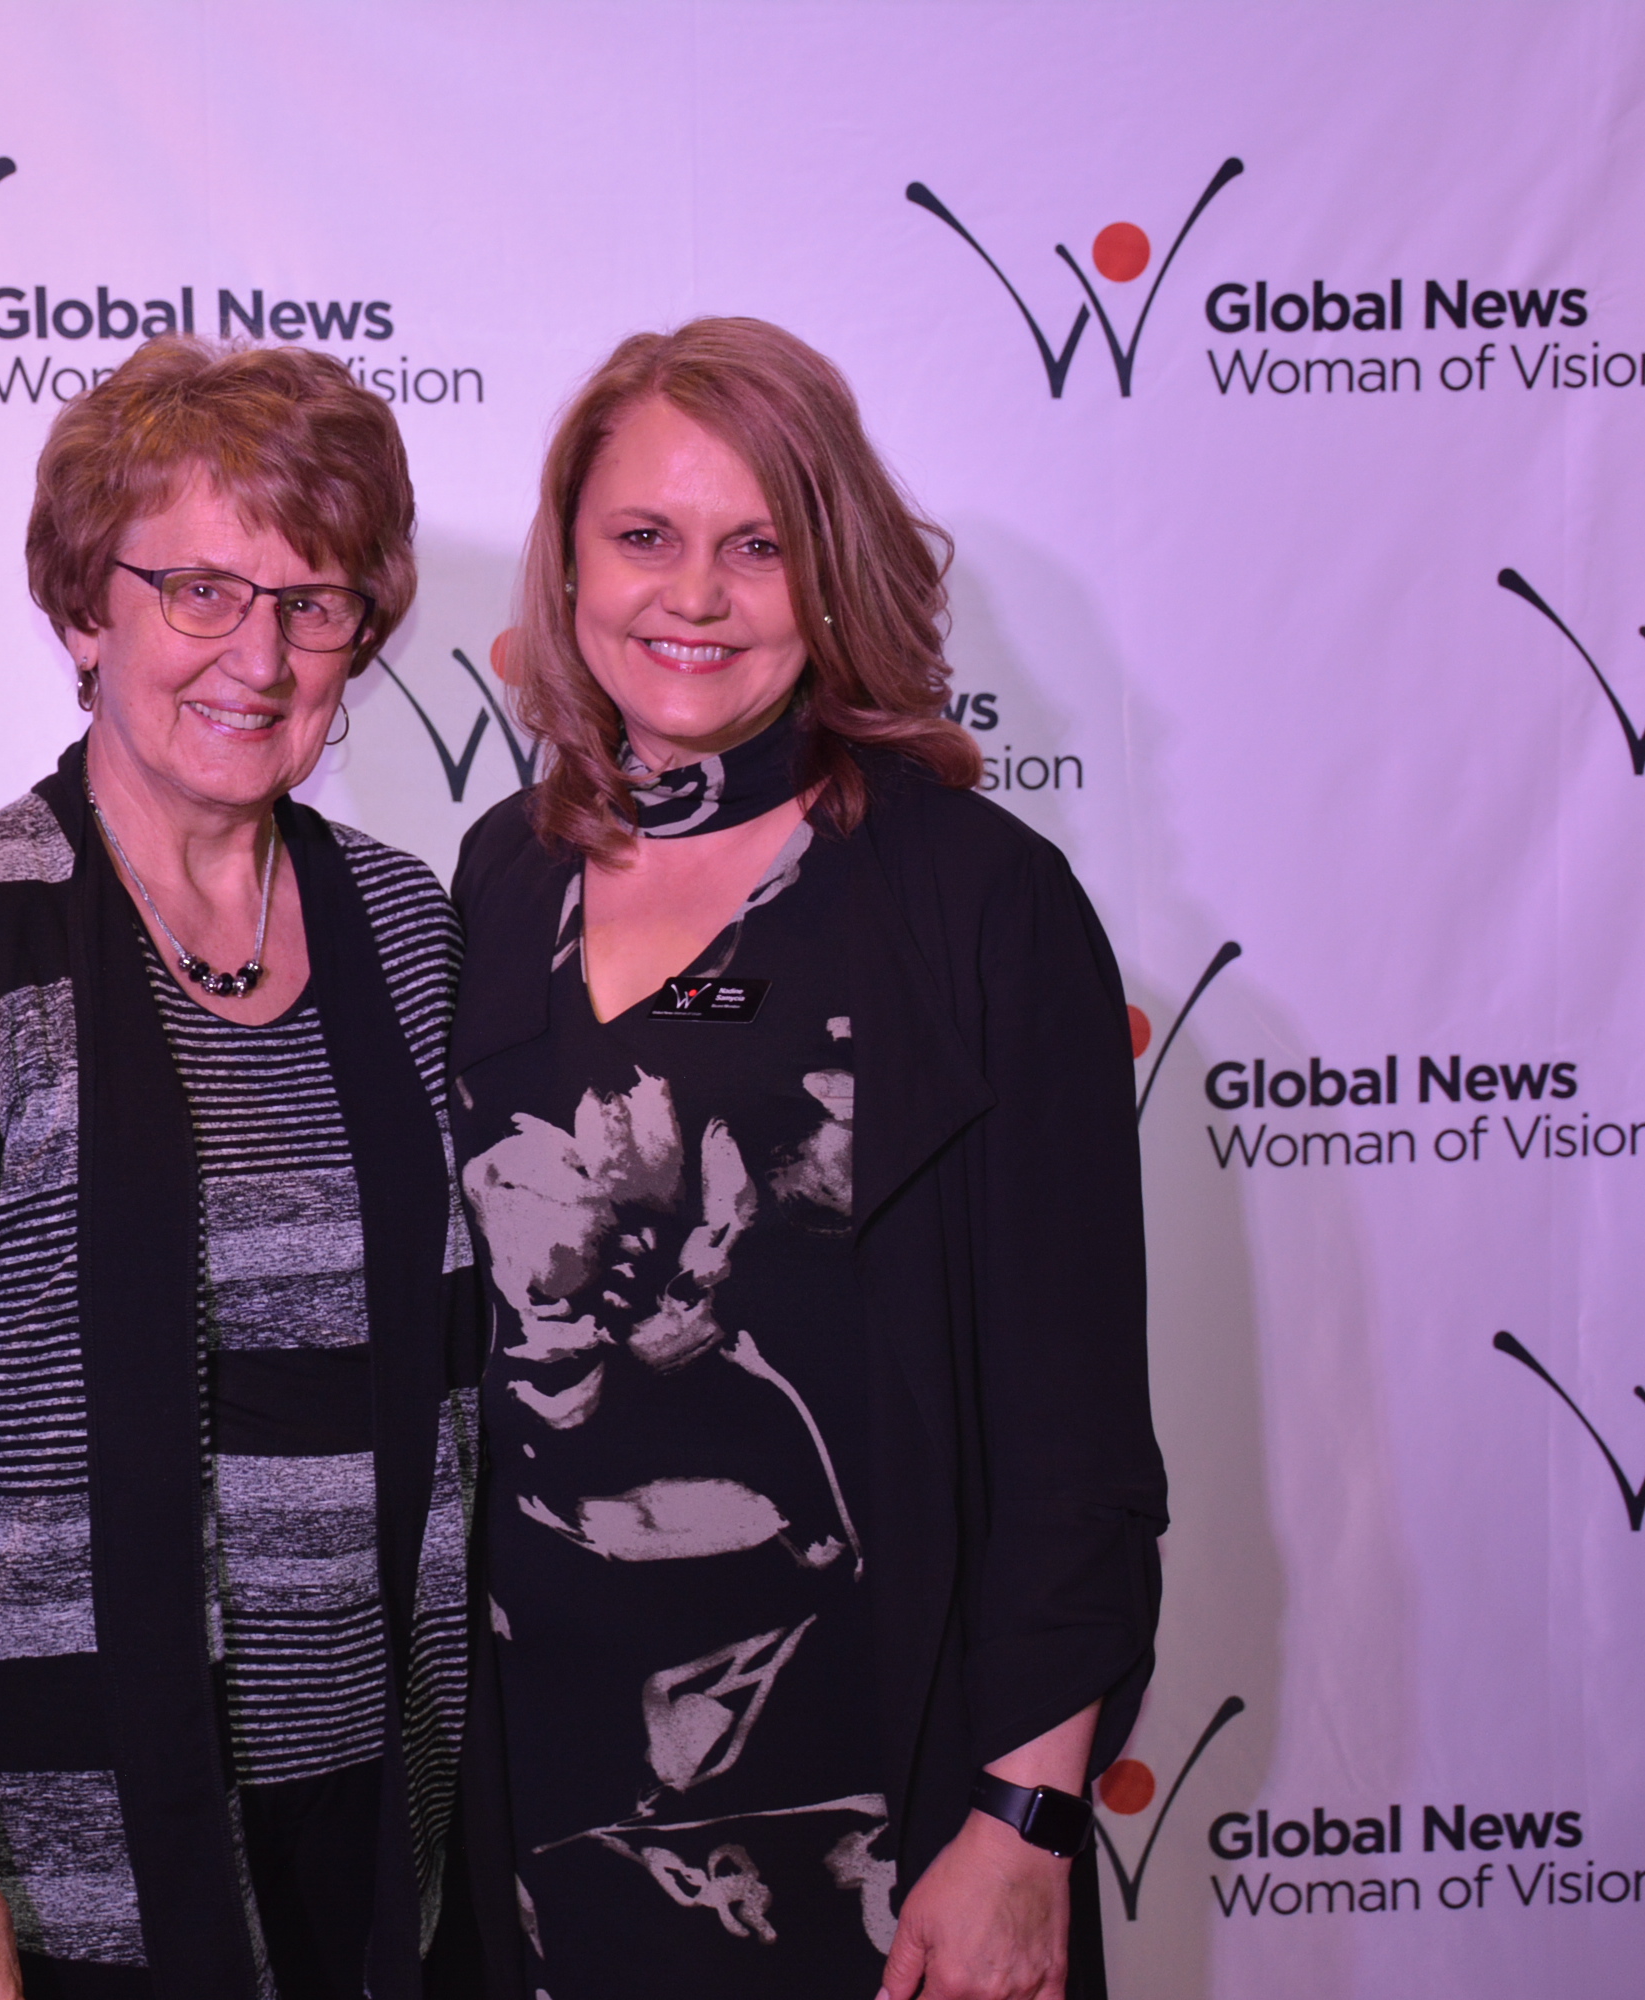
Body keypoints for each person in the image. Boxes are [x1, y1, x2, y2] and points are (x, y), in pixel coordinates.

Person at [446, 318, 1165, 2000]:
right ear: (570, 564)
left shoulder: (976, 905)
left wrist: (1023, 1827)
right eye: (645, 535)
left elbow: (1074, 1438)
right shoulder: (497, 878)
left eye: (756, 545)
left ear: (830, 569)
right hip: (538, 1802)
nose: (693, 595)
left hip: (872, 1811)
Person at [0, 337, 480, 2000]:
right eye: (201, 590)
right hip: (32, 1865)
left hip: (377, 1831)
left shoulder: (411, 929)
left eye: (313, 603)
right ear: (88, 610)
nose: (260, 654)